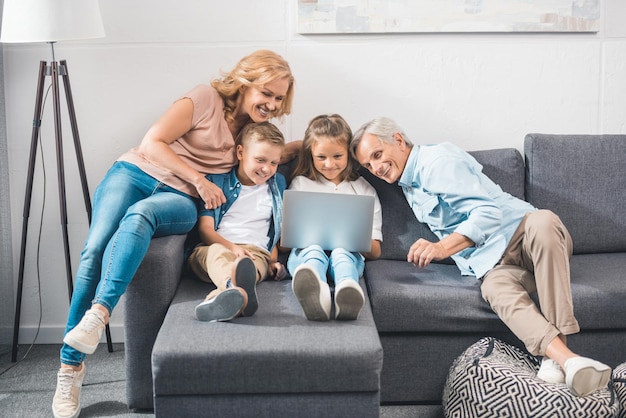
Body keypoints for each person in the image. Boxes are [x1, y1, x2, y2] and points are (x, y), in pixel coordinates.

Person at [52, 50, 296, 418]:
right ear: (245, 83)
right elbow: (153, 142)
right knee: (94, 250)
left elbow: (279, 152)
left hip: (179, 199)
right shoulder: (204, 98)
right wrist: (200, 179)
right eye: (267, 93)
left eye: (279, 98)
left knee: (140, 217)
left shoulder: (252, 136)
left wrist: (328, 144)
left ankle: (100, 311)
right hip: (135, 174)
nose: (272, 104)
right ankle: (71, 366)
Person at [351, 116, 612, 397]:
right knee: (493, 288)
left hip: (526, 234)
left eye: (377, 155)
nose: (375, 168)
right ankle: (569, 361)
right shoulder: (408, 182)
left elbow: (488, 213)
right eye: (367, 164)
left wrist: (440, 248)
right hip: (494, 261)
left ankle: (558, 355)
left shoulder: (436, 162)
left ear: (399, 140)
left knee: (543, 221)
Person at [188, 121, 288, 322]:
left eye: (274, 163)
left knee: (248, 266)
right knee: (218, 255)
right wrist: (233, 248)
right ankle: (234, 289)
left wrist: (273, 261)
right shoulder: (217, 183)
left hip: (255, 253)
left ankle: (226, 298)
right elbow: (205, 230)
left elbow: (272, 229)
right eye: (260, 160)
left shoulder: (277, 184)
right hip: (216, 247)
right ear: (240, 153)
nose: (267, 169)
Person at [286, 114, 382, 321]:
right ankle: (315, 292)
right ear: (310, 154)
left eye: (337, 156)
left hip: (348, 256)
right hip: (305, 255)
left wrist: (350, 237)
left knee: (341, 252)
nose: (329, 164)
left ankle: (347, 289)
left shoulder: (364, 190)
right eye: (321, 157)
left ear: (348, 153)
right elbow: (286, 244)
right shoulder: (300, 185)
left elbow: (375, 251)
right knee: (312, 250)